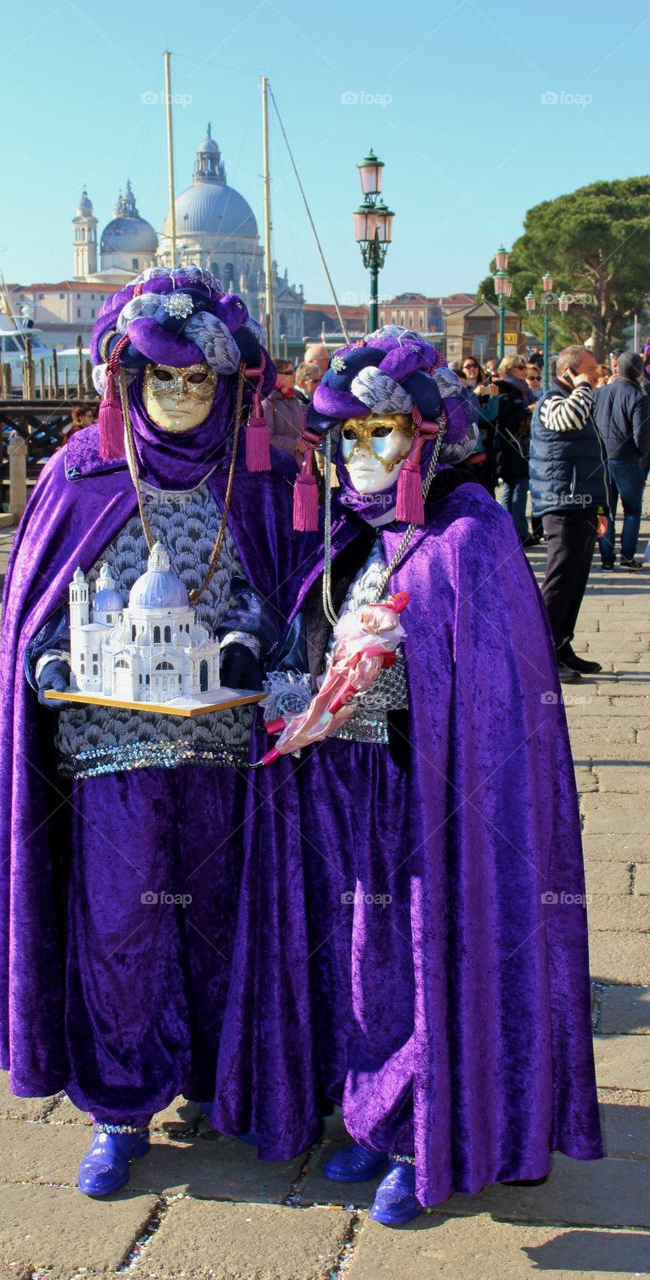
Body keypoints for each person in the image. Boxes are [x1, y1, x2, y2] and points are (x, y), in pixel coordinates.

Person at [250, 325, 602, 1226]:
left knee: (424, 954)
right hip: (346, 791)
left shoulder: (469, 532)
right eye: (350, 437)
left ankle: (426, 1132)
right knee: (360, 960)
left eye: (385, 433)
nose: (365, 452)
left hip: (433, 800)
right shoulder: (347, 531)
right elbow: (308, 637)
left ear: (424, 435)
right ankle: (370, 1113)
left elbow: (491, 696)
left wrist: (401, 691)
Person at [0, 265, 319, 1197]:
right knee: (120, 926)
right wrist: (51, 667)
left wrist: (258, 651)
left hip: (229, 754)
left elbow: (295, 601)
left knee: (224, 921)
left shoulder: (263, 484)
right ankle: (121, 1104)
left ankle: (223, 1075)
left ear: (228, 390)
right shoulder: (80, 477)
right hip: (112, 759)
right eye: (160, 379)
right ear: (126, 383)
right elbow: (36, 613)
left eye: (198, 381)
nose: (179, 397)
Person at [530, 345, 609, 682]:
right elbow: (569, 419)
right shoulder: (553, 400)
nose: (596, 374)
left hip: (582, 504)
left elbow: (593, 457)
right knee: (560, 581)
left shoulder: (577, 397)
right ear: (570, 371)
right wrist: (581, 386)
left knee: (575, 582)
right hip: (562, 503)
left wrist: (601, 507)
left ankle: (562, 646)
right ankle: (542, 654)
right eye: (590, 369)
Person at [594, 350, 650, 570]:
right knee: (632, 510)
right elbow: (640, 434)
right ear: (639, 371)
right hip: (627, 459)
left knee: (605, 510)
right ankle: (627, 555)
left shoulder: (600, 393)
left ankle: (607, 558)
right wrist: (641, 454)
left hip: (602, 458)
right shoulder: (639, 397)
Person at [493, 355, 533, 545]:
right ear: (509, 369)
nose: (525, 370)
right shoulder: (508, 390)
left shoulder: (519, 390)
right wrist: (527, 412)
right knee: (518, 486)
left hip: (514, 445)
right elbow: (506, 419)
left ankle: (510, 532)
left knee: (511, 488)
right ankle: (520, 532)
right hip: (511, 446)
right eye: (520, 367)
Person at [261, 358, 306, 462]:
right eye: (289, 372)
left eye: (294, 371)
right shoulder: (266, 401)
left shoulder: (293, 397)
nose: (294, 375)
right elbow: (265, 439)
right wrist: (296, 445)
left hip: (297, 464)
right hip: (277, 466)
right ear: (274, 375)